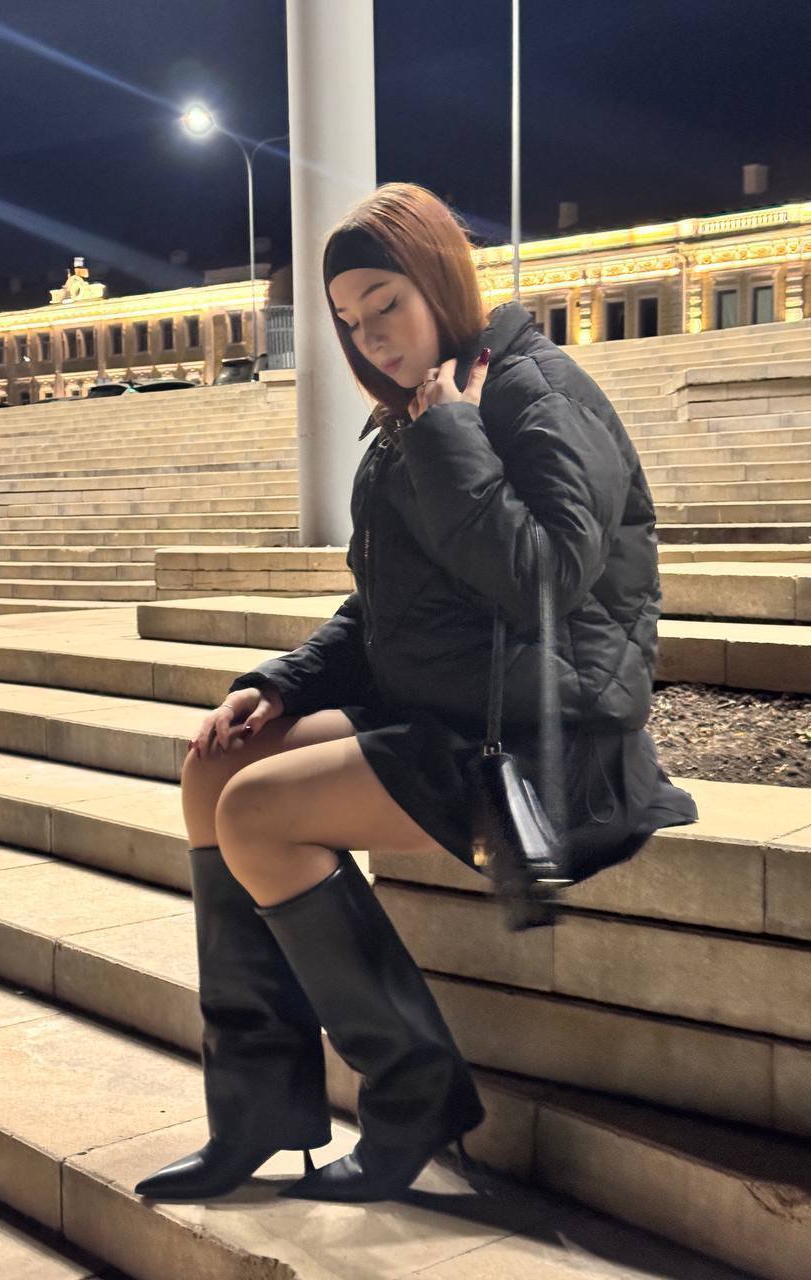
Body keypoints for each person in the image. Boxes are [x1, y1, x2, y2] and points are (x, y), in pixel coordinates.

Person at [134, 181, 698, 1206]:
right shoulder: (419, 412)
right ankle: (255, 1108)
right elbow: (387, 608)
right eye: (350, 320)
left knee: (256, 813)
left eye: (386, 303)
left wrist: (449, 433)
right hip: (449, 714)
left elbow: (544, 579)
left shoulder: (532, 390)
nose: (373, 337)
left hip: (551, 745)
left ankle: (413, 1092)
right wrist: (279, 685)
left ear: (439, 276)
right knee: (216, 767)